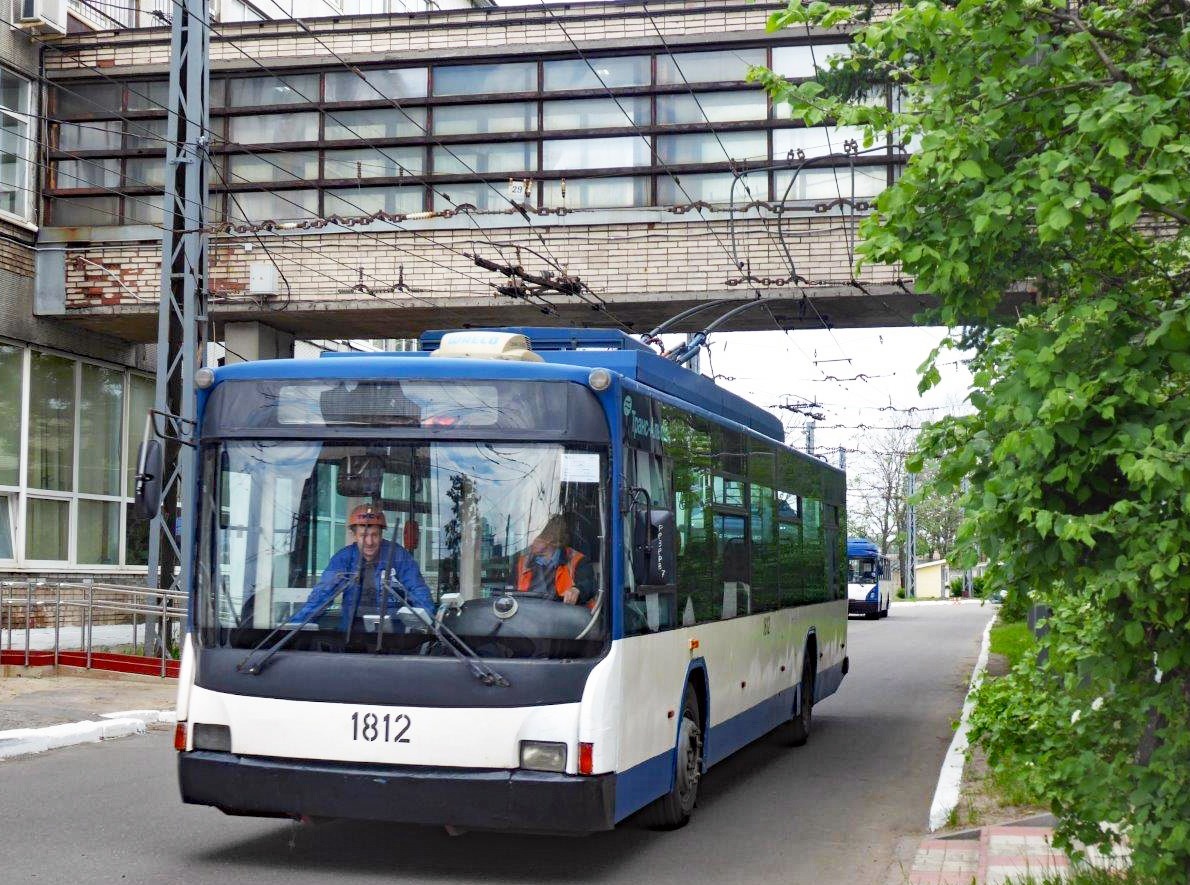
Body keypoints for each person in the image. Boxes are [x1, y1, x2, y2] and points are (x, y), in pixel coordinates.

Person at [290, 504, 434, 630]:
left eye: (375, 535)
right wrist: (293, 627)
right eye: (363, 535)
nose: (369, 542)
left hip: (393, 640)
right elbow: (321, 596)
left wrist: (428, 620)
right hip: (350, 638)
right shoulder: (343, 559)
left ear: (381, 534)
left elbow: (418, 591)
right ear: (354, 535)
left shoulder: (399, 556)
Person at [514, 514, 595, 606]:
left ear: (550, 538)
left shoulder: (577, 560)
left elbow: (590, 585)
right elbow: (509, 590)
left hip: (563, 616)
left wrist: (577, 590)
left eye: (535, 537)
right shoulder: (522, 562)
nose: (531, 542)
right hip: (528, 614)